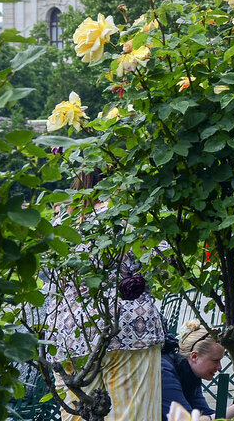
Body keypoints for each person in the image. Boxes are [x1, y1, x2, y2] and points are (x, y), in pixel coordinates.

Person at [47, 171, 166, 421]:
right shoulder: (129, 214)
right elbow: (162, 263)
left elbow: (49, 275)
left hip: (70, 332)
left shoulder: (62, 221)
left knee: (79, 415)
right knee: (131, 414)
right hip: (129, 329)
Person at [161, 319, 234, 419]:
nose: (220, 367)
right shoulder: (165, 374)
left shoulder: (189, 374)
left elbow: (205, 414)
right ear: (194, 357)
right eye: (215, 361)